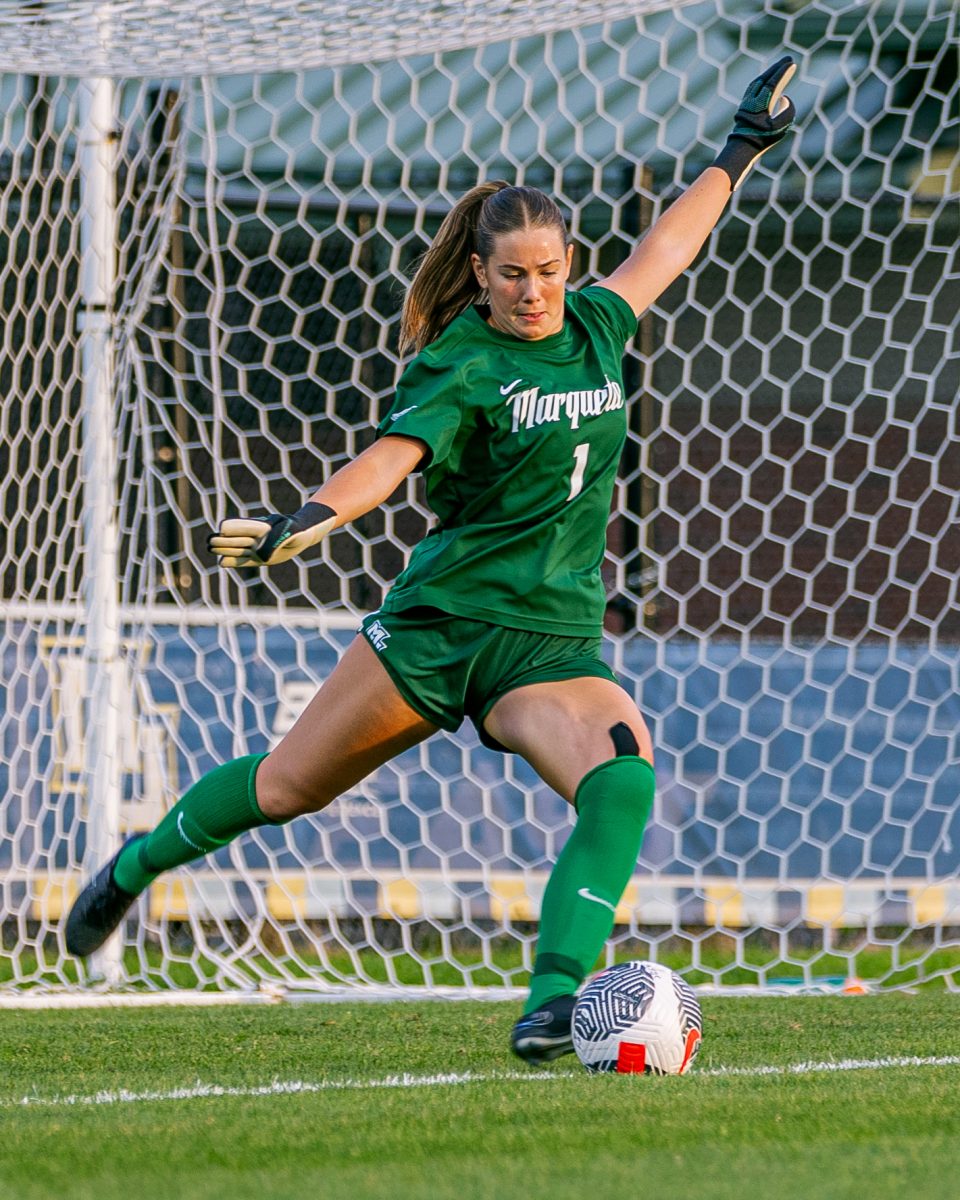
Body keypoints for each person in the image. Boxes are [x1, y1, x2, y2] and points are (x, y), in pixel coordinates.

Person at [66, 57, 797, 1063]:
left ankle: (551, 1005)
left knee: (624, 781)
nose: (534, 292)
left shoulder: (597, 323)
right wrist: (306, 518)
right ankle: (133, 868)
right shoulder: (461, 361)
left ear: (570, 266)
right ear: (482, 277)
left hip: (548, 645)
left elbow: (671, 240)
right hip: (440, 629)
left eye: (549, 271)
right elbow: (389, 461)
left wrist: (741, 150)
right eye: (511, 275)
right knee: (285, 791)